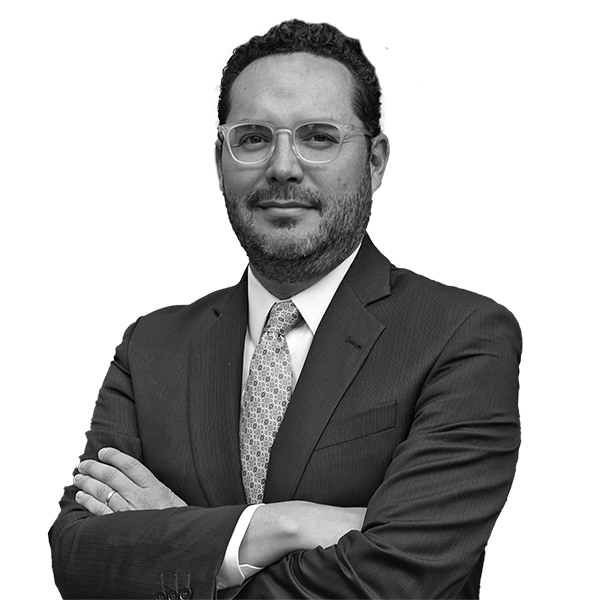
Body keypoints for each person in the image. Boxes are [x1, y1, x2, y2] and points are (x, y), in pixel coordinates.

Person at [49, 20, 522, 600]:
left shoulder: (462, 336)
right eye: (252, 138)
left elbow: (398, 580)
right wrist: (285, 524)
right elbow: (77, 558)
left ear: (375, 162)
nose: (281, 166)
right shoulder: (151, 348)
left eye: (318, 137)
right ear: (219, 158)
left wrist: (190, 544)